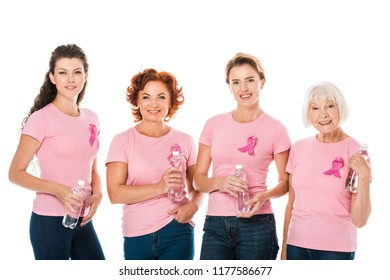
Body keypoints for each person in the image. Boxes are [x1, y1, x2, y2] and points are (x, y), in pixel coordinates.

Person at [8, 44, 105, 260]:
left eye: (76, 72)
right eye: (63, 73)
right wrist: (57, 190)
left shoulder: (92, 118)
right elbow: (15, 173)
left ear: (85, 76)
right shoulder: (41, 119)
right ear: (52, 77)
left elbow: (93, 169)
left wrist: (98, 194)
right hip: (49, 221)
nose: (70, 79)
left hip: (82, 220)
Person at [193, 52, 291, 260]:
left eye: (250, 80)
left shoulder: (276, 129)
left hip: (258, 223)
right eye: (236, 82)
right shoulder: (213, 124)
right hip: (216, 223)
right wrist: (219, 182)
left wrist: (263, 196)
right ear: (229, 86)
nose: (243, 88)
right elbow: (198, 180)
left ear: (262, 83)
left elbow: (286, 182)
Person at [105, 68, 204, 260]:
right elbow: (115, 194)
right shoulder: (122, 140)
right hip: (136, 233)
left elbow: (198, 185)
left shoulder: (185, 140)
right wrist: (160, 187)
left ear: (170, 101)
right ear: (137, 101)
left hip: (177, 229)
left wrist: (193, 206)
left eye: (160, 97)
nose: (153, 104)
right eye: (146, 97)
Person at [281, 81, 372, 260]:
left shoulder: (356, 151)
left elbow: (360, 220)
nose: (323, 114)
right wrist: (284, 250)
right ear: (309, 113)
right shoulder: (299, 148)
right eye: (315, 108)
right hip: (296, 245)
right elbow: (291, 204)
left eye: (330, 106)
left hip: (336, 250)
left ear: (340, 108)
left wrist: (365, 176)